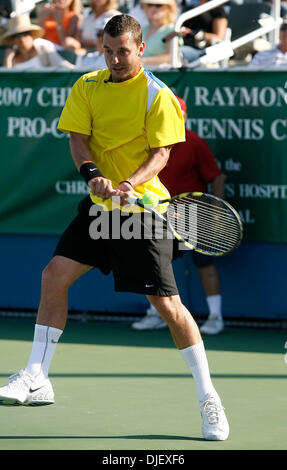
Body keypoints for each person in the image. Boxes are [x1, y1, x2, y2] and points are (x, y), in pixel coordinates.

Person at [0, 14, 229, 442]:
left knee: (169, 308)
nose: (115, 59)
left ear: (141, 48)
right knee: (54, 276)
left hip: (141, 214)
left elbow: (161, 155)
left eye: (123, 51)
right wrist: (93, 175)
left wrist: (129, 183)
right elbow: (78, 139)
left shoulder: (157, 95)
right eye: (108, 50)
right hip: (100, 208)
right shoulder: (87, 85)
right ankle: (37, 375)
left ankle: (209, 397)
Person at [132, 96, 226, 334]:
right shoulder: (148, 142)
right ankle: (157, 314)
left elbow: (217, 177)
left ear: (183, 117)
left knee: (204, 263)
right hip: (161, 214)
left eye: (178, 115)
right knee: (157, 266)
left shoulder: (194, 142)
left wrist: (214, 212)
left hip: (194, 214)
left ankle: (215, 317)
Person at [1, 14, 75, 69]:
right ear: (13, 39)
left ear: (31, 34)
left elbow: (63, 67)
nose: (22, 38)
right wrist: (8, 59)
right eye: (17, 35)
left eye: (25, 33)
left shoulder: (43, 47)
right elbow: (7, 81)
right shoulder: (11, 55)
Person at [164, 0, 228, 64]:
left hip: (203, 50)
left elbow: (219, 37)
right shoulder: (188, 7)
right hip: (184, 45)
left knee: (175, 54)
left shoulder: (218, 9)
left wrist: (193, 33)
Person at [140, 0, 178, 67]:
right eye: (149, 5)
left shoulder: (172, 29)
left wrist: (142, 61)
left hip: (163, 75)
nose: (153, 8)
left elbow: (171, 57)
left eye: (158, 5)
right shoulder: (142, 30)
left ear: (168, 8)